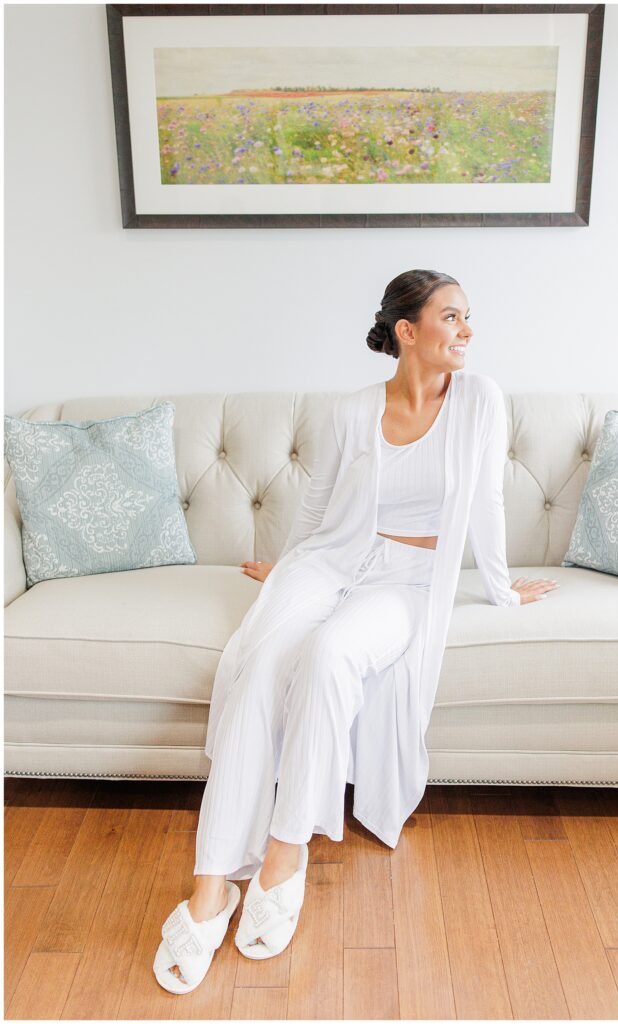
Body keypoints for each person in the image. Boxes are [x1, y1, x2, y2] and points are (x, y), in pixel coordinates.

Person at [153, 269, 560, 993]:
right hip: (329, 562)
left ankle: (282, 857)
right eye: (452, 317)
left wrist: (500, 590)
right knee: (259, 666)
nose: (466, 330)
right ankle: (210, 885)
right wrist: (284, 572)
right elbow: (315, 510)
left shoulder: (479, 401)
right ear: (408, 331)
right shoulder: (348, 412)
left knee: (330, 653)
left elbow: (486, 503)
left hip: (407, 580)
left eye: (467, 318)